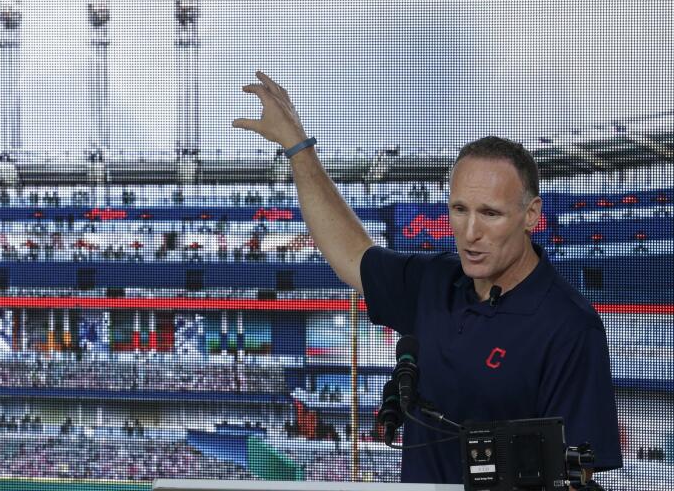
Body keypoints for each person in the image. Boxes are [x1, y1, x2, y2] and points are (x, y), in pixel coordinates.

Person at [233, 71, 623, 484]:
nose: (469, 233)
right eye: (459, 209)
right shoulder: (435, 281)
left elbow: (578, 474)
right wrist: (298, 148)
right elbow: (352, 255)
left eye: (490, 213)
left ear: (531, 215)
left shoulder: (568, 326)